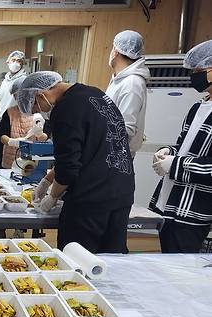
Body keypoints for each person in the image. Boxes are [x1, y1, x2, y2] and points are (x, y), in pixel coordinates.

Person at [21, 72, 135, 254]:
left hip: (90, 199)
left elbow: (69, 167)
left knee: (79, 260)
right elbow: (87, 151)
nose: (40, 111)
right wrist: (48, 180)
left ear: (40, 95)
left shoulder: (65, 108)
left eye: (36, 106)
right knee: (112, 258)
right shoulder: (96, 94)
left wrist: (52, 197)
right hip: (121, 191)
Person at [149, 40, 212, 253]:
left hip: (192, 209)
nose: (195, 75)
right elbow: (184, 144)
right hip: (169, 202)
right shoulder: (198, 107)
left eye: (199, 70)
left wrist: (175, 165)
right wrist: (169, 152)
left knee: (179, 271)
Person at [105, 30, 149, 158]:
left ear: (116, 51)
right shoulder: (119, 79)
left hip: (117, 156)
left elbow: (125, 129)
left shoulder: (132, 83)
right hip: (109, 152)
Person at [0, 76, 48, 169]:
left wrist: (40, 134)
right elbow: (2, 136)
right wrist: (13, 142)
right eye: (18, 95)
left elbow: (46, 138)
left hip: (32, 161)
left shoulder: (40, 112)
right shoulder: (9, 112)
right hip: (11, 159)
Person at [0, 51, 27, 122]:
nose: (15, 63)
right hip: (0, 116)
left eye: (19, 61)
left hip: (15, 118)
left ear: (22, 64)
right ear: (8, 62)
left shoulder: (23, 80)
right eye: (13, 60)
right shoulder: (5, 80)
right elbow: (1, 98)